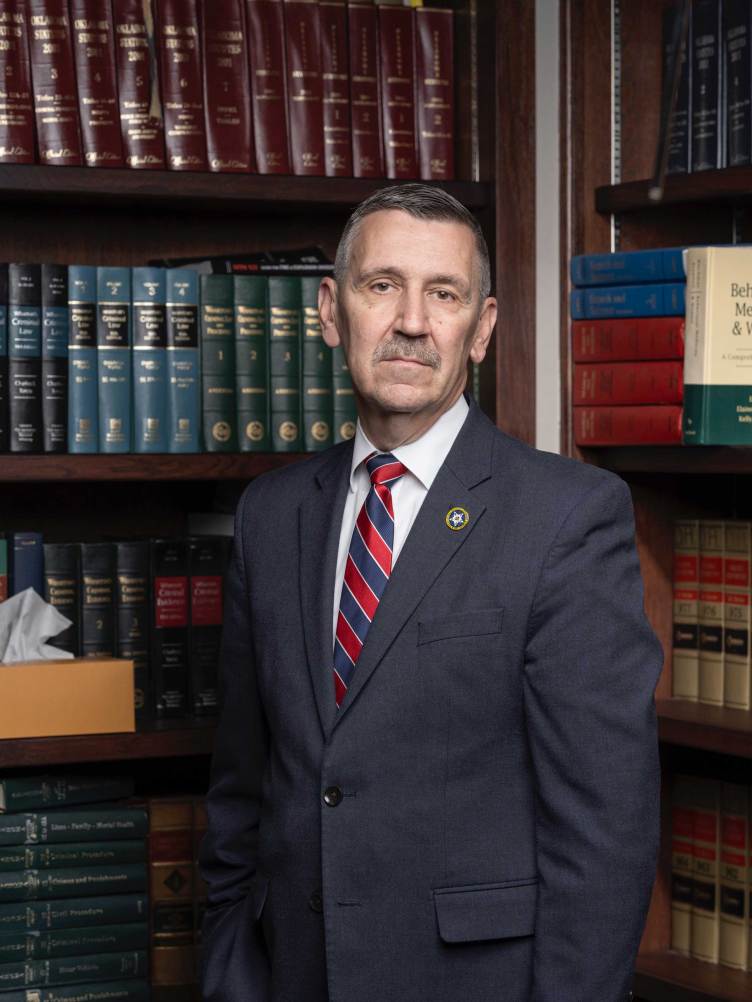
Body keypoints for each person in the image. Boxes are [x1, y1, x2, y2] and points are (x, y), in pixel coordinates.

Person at [199, 183, 662, 1002]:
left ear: (480, 330)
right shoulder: (270, 517)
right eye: (382, 286)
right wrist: (231, 969)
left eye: (442, 294)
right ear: (331, 312)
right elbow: (242, 788)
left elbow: (605, 833)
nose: (411, 320)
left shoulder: (567, 518)